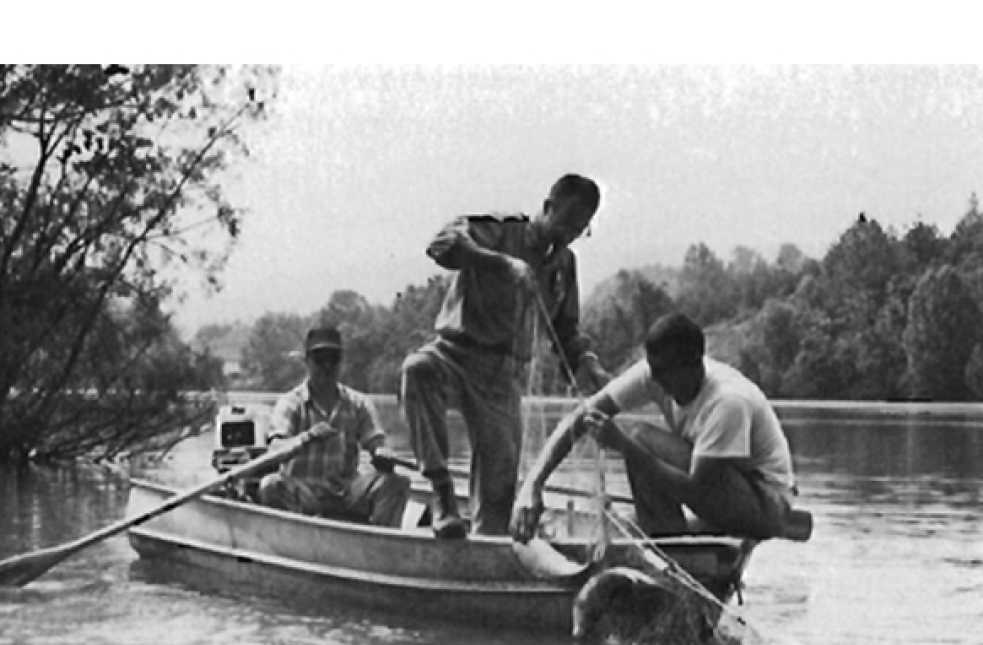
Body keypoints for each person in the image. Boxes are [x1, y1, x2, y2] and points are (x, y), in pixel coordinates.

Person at [401, 173, 611, 540]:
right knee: (418, 370)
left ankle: (485, 554)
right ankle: (442, 494)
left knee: (500, 494)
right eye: (565, 223)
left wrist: (585, 360)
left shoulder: (564, 266)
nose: (569, 235)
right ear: (546, 208)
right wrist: (499, 263)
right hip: (456, 353)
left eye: (579, 229)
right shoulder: (502, 230)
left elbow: (565, 330)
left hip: (503, 377)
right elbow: (442, 245)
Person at [511, 311, 803, 543]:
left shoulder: (727, 401)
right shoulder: (654, 373)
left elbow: (697, 489)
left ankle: (671, 545)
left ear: (693, 365)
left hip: (766, 501)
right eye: (654, 370)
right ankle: (667, 540)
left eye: (665, 373)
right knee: (641, 438)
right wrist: (532, 486)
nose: (657, 382)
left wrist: (624, 447)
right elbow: (581, 416)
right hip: (727, 487)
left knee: (638, 439)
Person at [259, 326, 411, 527]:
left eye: (334, 359)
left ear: (342, 362)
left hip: (346, 492)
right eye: (319, 360)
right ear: (306, 362)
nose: (327, 366)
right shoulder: (290, 403)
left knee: (397, 483)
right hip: (304, 492)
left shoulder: (359, 403)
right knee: (270, 486)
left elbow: (376, 443)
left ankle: (379, 544)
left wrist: (382, 454)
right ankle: (295, 539)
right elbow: (275, 449)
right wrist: (307, 437)